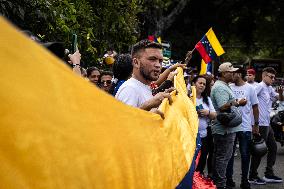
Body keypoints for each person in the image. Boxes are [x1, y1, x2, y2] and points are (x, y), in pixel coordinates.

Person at [210, 62, 247, 189]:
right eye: (231, 72)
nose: (234, 74)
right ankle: (220, 185)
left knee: (222, 157)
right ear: (224, 73)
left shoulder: (223, 85)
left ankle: (218, 183)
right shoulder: (220, 87)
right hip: (224, 130)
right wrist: (237, 102)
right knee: (223, 158)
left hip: (226, 129)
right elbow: (223, 106)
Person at [115, 39, 173, 114]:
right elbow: (123, 123)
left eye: (160, 61)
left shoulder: (145, 87)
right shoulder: (130, 89)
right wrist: (147, 106)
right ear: (136, 62)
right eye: (152, 59)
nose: (158, 65)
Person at [249, 67, 283, 184]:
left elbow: (280, 99)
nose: (273, 79)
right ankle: (252, 176)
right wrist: (253, 123)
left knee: (273, 147)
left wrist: (280, 93)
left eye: (274, 77)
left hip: (266, 123)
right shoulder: (259, 86)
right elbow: (250, 101)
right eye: (271, 77)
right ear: (264, 76)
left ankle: (269, 174)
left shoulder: (269, 88)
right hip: (260, 124)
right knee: (259, 150)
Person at [226, 67, 259, 189]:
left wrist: (256, 124)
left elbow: (255, 107)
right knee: (229, 154)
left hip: (245, 127)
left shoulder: (250, 88)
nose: (231, 75)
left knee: (245, 155)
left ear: (239, 74)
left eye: (233, 73)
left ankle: (245, 181)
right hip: (231, 126)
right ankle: (229, 180)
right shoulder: (229, 86)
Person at [194, 75, 216, 176]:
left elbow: (214, 115)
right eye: (200, 83)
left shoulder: (206, 99)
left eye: (204, 84)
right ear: (194, 84)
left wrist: (207, 112)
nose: (202, 85)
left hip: (204, 135)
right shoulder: (187, 97)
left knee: (203, 157)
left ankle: (200, 177)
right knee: (192, 160)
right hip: (192, 135)